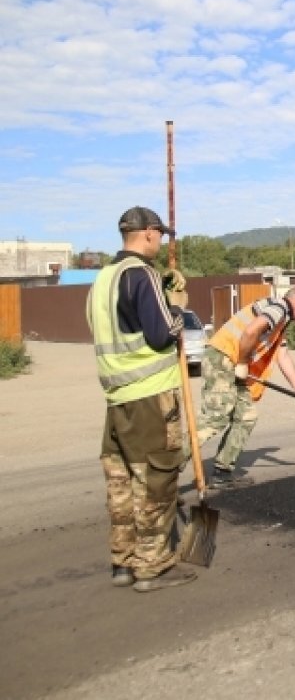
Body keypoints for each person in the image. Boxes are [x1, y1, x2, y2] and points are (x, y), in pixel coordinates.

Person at [86, 206, 197, 592]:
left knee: (121, 480)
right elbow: (161, 333)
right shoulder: (142, 273)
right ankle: (152, 566)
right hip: (151, 396)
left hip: (117, 397)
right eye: (160, 235)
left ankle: (123, 561)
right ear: (148, 233)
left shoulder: (102, 279)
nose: (161, 240)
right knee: (156, 479)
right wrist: (177, 303)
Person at [194, 287, 295, 486]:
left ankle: (222, 473)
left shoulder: (280, 321)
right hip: (223, 358)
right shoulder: (280, 307)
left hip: (234, 364)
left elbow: (282, 355)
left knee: (246, 416)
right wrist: (242, 361)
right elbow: (251, 330)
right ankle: (163, 468)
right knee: (214, 418)